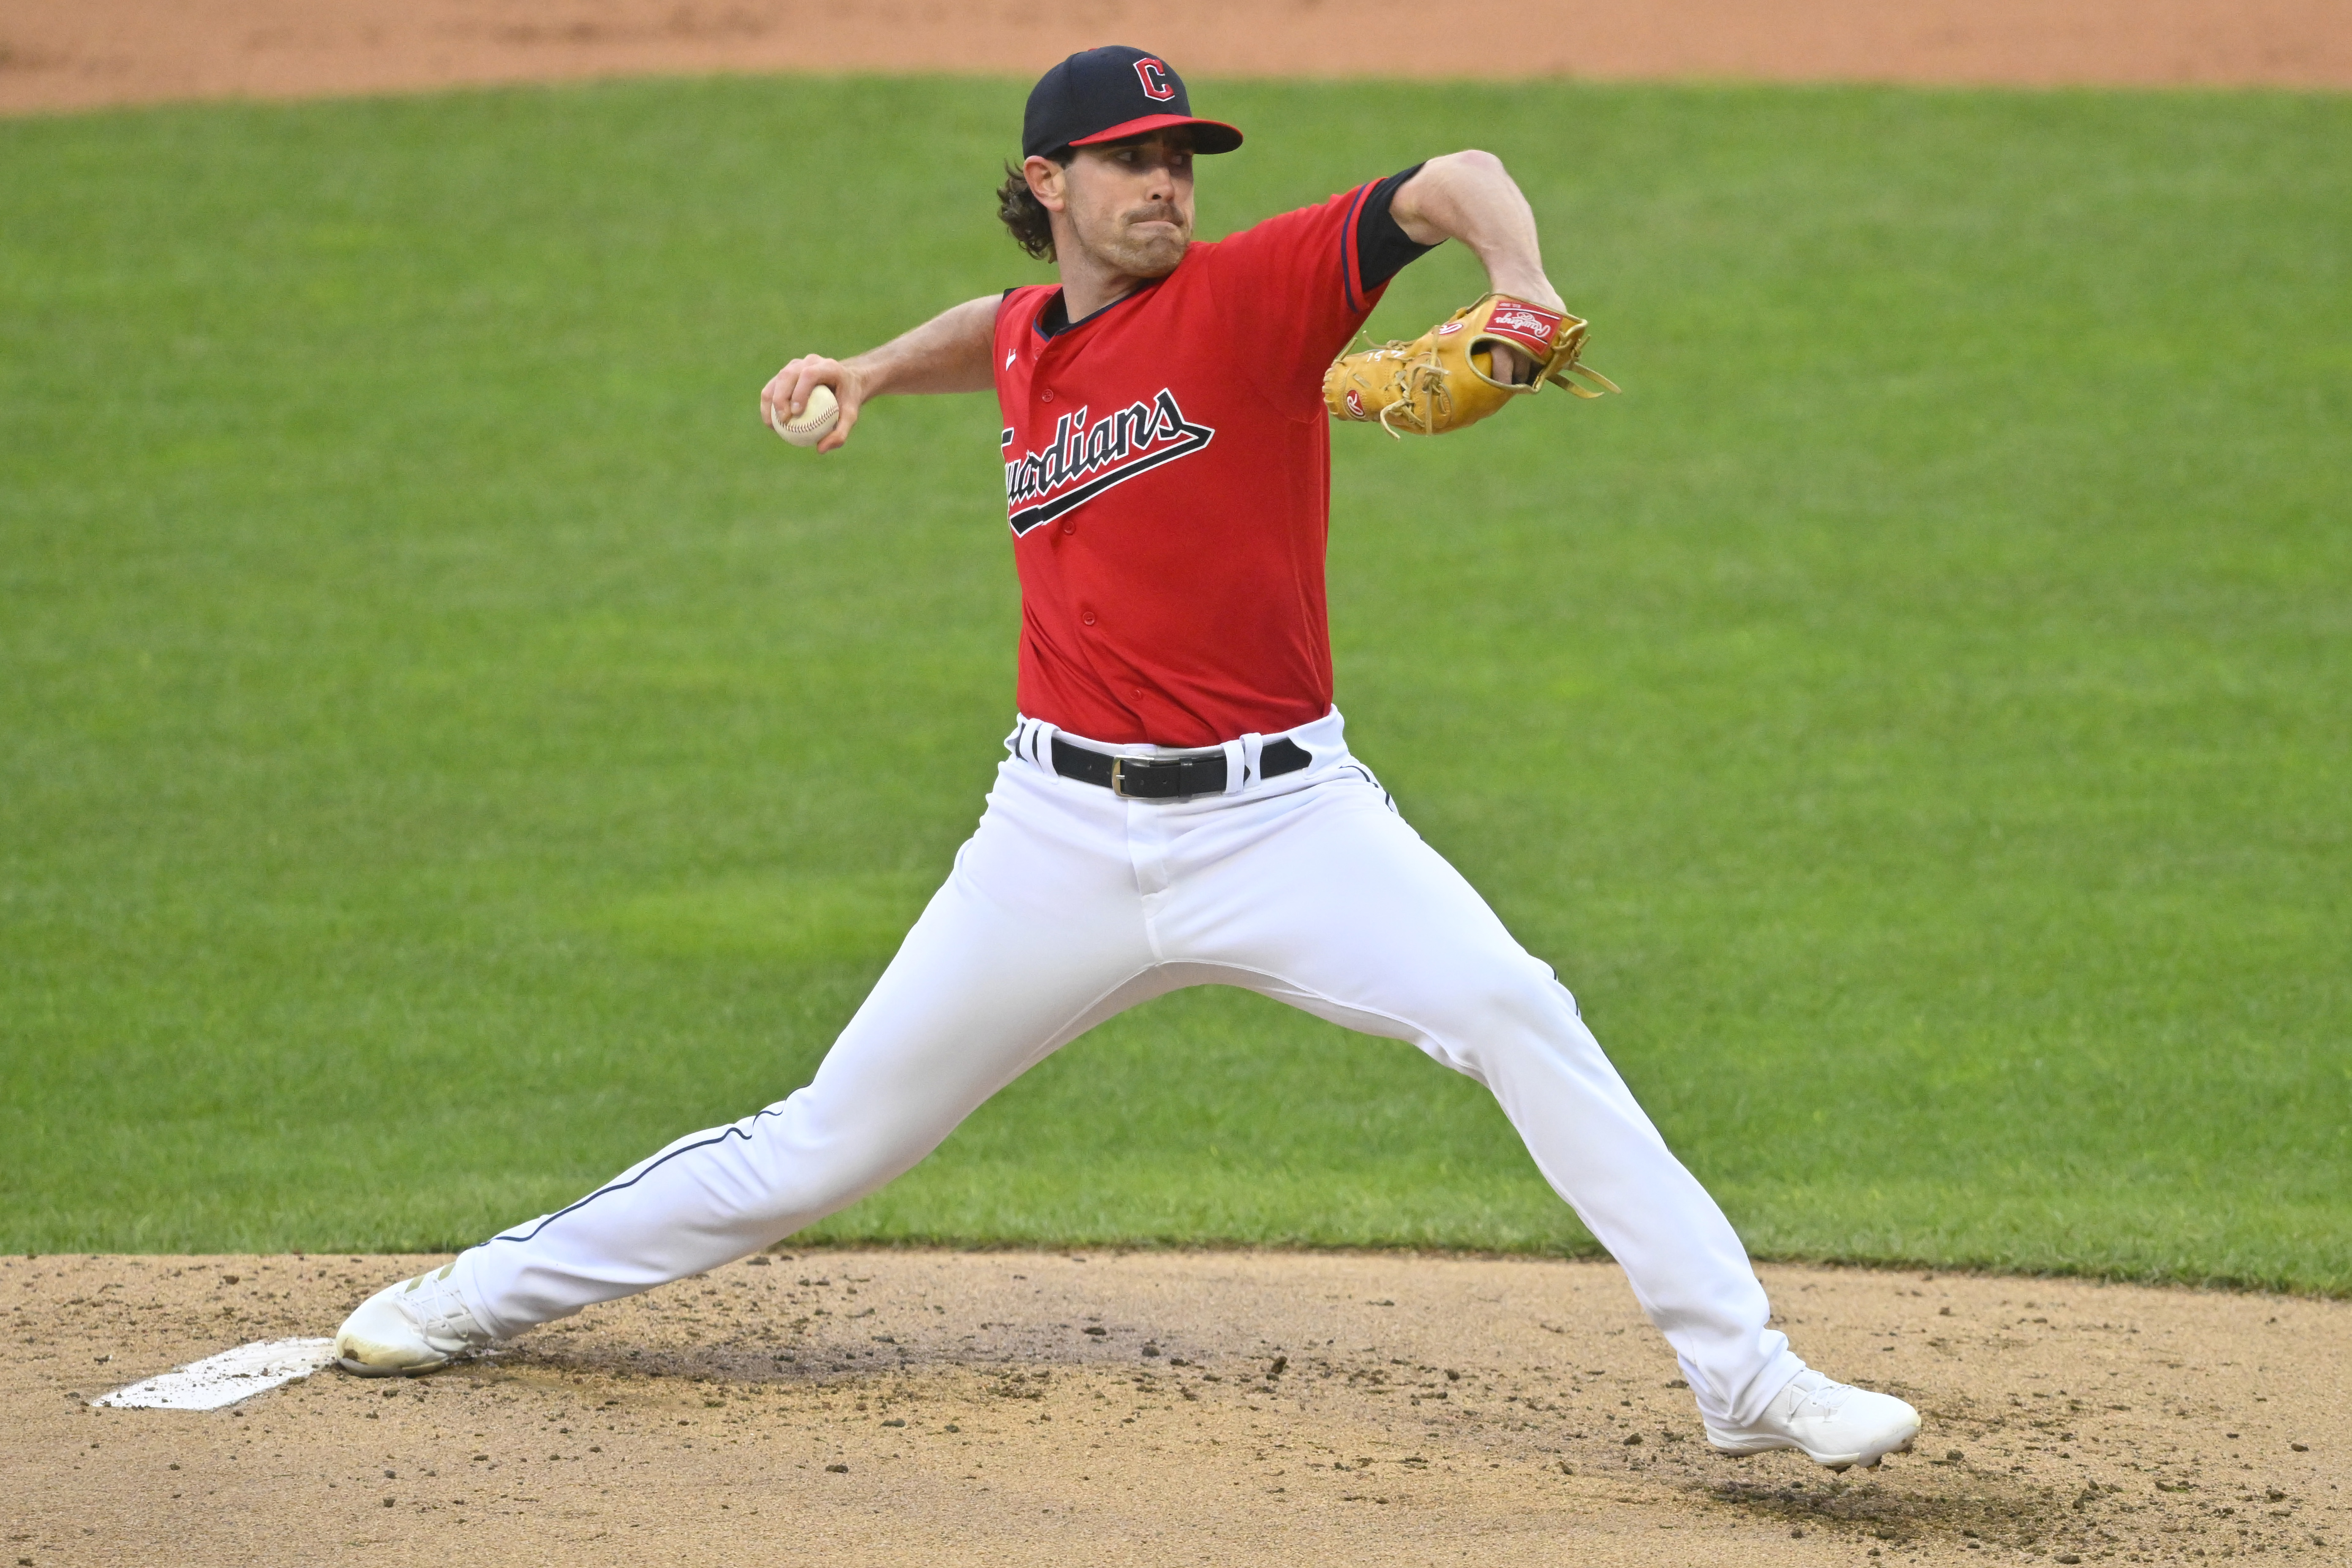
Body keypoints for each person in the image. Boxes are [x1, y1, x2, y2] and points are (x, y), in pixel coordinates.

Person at [335, 44, 1920, 1471]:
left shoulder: (1261, 289)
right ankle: (469, 1299)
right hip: (1054, 843)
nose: (1168, 183)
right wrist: (875, 371)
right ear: (1050, 184)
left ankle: (1749, 1378)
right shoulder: (1037, 335)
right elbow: (1003, 333)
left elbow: (1455, 180)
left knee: (1517, 1007)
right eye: (1133, 160)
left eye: (1182, 160)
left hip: (1289, 823)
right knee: (824, 1144)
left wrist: (1518, 276)